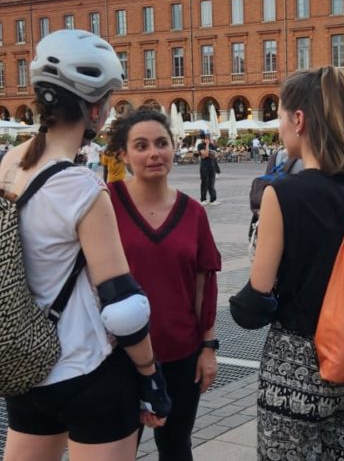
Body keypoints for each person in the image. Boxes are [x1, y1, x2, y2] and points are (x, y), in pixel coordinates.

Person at [0, 29, 170, 460]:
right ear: (95, 107)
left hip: (27, 367)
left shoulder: (4, 164)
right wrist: (149, 372)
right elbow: (121, 304)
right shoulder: (81, 186)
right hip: (86, 371)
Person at [248, 66, 344, 459]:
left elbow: (257, 296)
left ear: (299, 119)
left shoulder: (284, 193)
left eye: (281, 115)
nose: (280, 126)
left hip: (298, 368)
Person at [107, 109, 221, 461]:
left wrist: (208, 348)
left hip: (180, 354)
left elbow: (205, 283)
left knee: (175, 447)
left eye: (161, 143)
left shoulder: (193, 212)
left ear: (174, 148)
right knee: (115, 451)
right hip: (116, 358)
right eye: (141, 146)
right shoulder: (105, 203)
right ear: (123, 155)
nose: (153, 153)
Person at [197, 132, 219, 205]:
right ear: (202, 139)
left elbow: (215, 154)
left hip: (212, 166)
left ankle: (213, 200)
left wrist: (211, 146)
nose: (207, 139)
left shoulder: (211, 145)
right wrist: (207, 145)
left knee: (211, 183)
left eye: (208, 138)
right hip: (204, 167)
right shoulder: (200, 145)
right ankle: (203, 199)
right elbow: (205, 155)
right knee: (204, 183)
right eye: (206, 138)